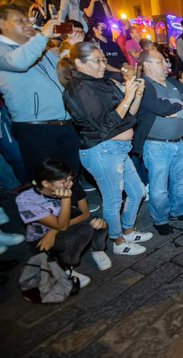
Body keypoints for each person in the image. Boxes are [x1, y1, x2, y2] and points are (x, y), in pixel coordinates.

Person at [59, 42, 151, 255]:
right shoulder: (78, 87)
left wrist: (136, 94)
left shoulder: (105, 83)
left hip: (119, 149)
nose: (103, 64)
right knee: (113, 199)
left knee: (137, 191)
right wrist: (127, 97)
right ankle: (117, 241)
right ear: (79, 63)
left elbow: (130, 115)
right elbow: (106, 123)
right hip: (102, 151)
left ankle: (128, 230)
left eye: (103, 59)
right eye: (97, 60)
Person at [0, 5, 86, 199]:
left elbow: (61, 74)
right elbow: (18, 63)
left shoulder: (40, 47)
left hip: (64, 122)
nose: (27, 24)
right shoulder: (8, 50)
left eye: (27, 20)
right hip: (36, 128)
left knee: (70, 173)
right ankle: (53, 222)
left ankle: (76, 216)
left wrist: (69, 50)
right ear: (2, 24)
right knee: (47, 180)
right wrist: (43, 35)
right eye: (20, 20)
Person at [16, 159, 111, 287]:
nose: (70, 183)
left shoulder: (69, 184)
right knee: (84, 231)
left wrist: (53, 230)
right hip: (42, 239)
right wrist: (65, 199)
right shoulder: (27, 199)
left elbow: (85, 213)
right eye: (64, 180)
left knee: (99, 223)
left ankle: (98, 250)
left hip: (61, 226)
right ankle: (65, 269)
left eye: (70, 178)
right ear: (46, 183)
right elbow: (62, 225)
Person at [134, 50, 183, 234]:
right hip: (157, 145)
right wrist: (178, 104)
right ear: (146, 64)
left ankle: (177, 211)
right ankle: (160, 219)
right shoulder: (143, 85)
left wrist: (174, 105)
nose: (166, 65)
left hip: (179, 141)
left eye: (165, 61)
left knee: (180, 180)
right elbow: (159, 107)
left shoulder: (172, 82)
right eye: (160, 61)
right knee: (159, 187)